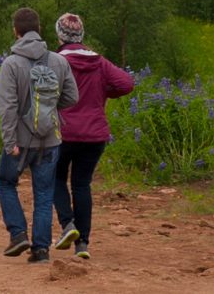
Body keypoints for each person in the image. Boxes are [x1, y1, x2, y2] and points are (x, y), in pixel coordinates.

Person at [0, 6, 80, 263]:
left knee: (6, 183)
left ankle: (19, 233)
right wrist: (50, 109)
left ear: (16, 31)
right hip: (50, 139)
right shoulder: (58, 61)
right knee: (44, 193)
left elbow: (8, 107)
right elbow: (72, 97)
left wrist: (10, 141)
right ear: (40, 29)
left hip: (20, 141)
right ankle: (41, 250)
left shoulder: (11, 64)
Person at [54, 13, 135, 261]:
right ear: (81, 35)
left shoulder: (56, 61)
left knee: (55, 178)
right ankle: (83, 244)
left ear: (59, 35)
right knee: (81, 184)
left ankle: (68, 224)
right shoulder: (99, 62)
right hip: (94, 134)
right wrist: (102, 94)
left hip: (63, 131)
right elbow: (126, 83)